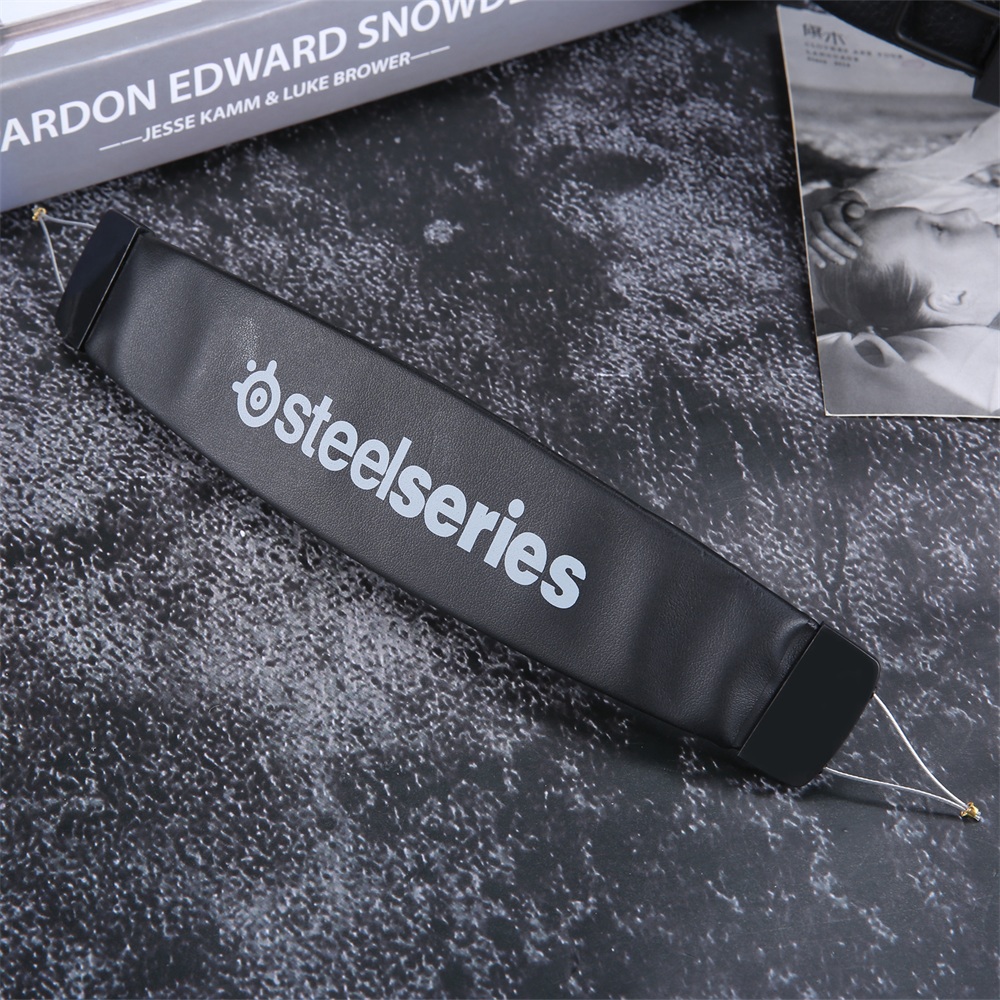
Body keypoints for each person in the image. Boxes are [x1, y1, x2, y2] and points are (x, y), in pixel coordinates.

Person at [803, 112, 1000, 417]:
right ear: (952, 297)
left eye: (939, 229)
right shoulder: (945, 371)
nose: (965, 213)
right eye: (940, 230)